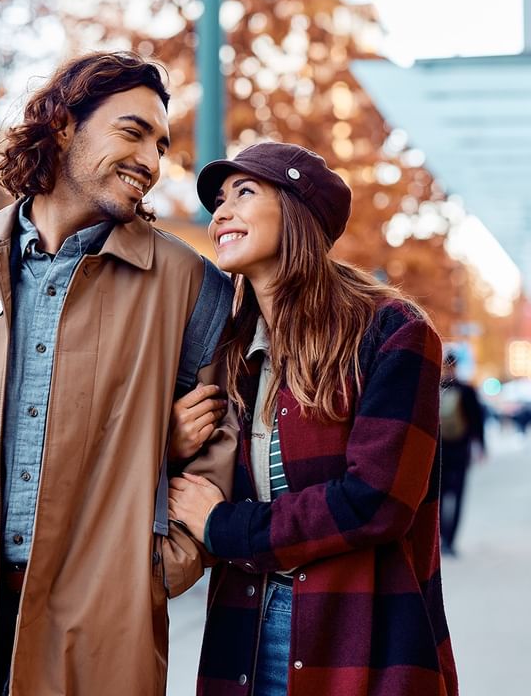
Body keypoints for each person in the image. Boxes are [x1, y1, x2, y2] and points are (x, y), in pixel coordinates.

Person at [0, 51, 238, 696]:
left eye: (161, 143)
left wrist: (153, 570)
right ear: (64, 125)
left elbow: (212, 456)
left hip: (98, 626)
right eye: (132, 132)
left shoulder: (192, 285)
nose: (151, 162)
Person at [165, 142, 458, 696]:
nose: (220, 212)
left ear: (298, 211)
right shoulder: (227, 352)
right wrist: (174, 444)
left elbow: (377, 503)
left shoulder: (393, 333)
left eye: (244, 192)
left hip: (356, 635)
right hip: (243, 630)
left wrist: (227, 527)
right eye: (219, 200)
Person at [438, 352, 486, 556]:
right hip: (460, 449)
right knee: (457, 495)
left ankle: (439, 537)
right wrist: (481, 446)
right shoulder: (466, 389)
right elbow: (477, 420)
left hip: (438, 451)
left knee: (437, 496)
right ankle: (450, 541)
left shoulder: (434, 386)